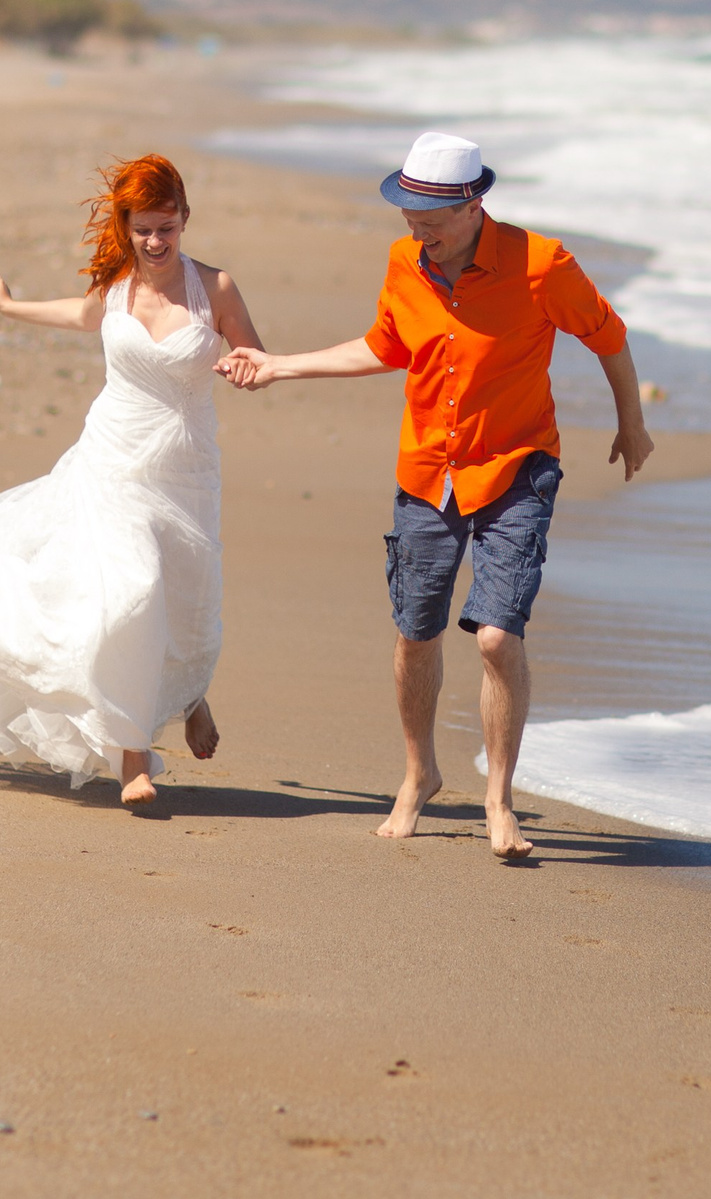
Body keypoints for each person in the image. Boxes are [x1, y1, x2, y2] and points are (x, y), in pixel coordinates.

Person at [217, 132, 652, 858]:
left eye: (431, 221)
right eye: (409, 218)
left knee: (496, 636)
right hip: (427, 471)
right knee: (415, 633)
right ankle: (420, 774)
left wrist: (631, 423)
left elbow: (608, 336)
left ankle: (499, 798)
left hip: (517, 469)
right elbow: (385, 346)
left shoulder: (541, 265)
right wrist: (279, 365)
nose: (418, 233)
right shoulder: (404, 262)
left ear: (473, 204)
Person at [0, 154, 264, 808]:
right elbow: (81, 315)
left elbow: (253, 355)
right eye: (142, 230)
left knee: (183, 594)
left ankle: (190, 696)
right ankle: (132, 757)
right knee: (130, 591)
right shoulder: (118, 287)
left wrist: (246, 367)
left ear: (185, 218)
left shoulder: (215, 289)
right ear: (126, 226)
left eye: (165, 228)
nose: (154, 242)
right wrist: (9, 306)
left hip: (184, 468)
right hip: (110, 459)